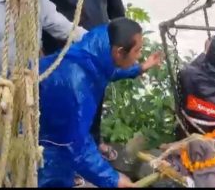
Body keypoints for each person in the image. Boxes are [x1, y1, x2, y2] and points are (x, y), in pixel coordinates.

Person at [40, 0, 126, 165]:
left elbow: (116, 8)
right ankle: (69, 159)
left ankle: (94, 142)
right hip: (63, 55)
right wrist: (42, 50)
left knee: (96, 101)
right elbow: (39, 14)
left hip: (99, 51)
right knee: (67, 106)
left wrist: (123, 42)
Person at [38, 17, 162, 188]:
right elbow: (76, 145)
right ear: (119, 51)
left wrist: (139, 68)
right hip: (46, 145)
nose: (139, 56)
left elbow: (109, 71)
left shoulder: (97, 50)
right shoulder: (76, 85)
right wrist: (113, 179)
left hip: (55, 130)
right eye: (137, 51)